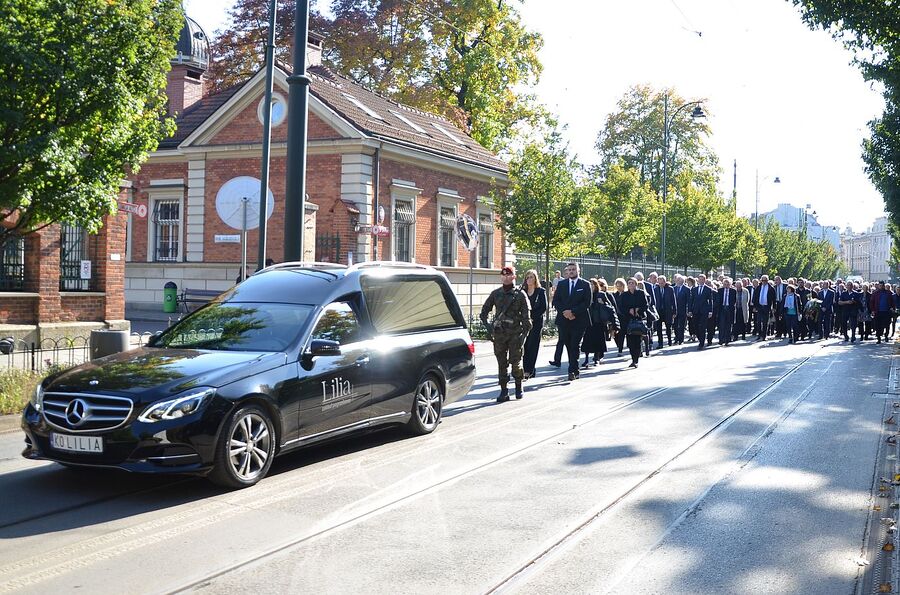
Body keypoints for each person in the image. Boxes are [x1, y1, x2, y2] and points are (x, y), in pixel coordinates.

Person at [480, 266, 532, 402]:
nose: (505, 277)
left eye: (508, 275)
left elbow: (527, 319)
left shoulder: (520, 295)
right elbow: (484, 312)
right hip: (500, 334)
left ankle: (518, 386)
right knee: (501, 363)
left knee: (516, 362)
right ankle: (504, 390)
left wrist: (523, 336)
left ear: (514, 277)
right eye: (503, 275)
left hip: (515, 334)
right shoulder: (496, 294)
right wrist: (489, 327)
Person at [551, 262, 592, 381]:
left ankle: (572, 370)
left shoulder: (585, 284)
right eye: (569, 270)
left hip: (579, 320)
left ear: (578, 270)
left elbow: (587, 302)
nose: (571, 271)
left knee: (575, 344)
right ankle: (573, 367)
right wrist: (565, 312)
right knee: (568, 344)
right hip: (564, 320)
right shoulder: (562, 284)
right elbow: (556, 300)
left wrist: (573, 312)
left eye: (573, 269)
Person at [581, 278, 618, 367]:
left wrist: (602, 303)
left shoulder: (601, 294)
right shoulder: (585, 294)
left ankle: (596, 358)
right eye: (590, 285)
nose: (591, 287)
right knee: (587, 341)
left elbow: (609, 306)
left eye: (593, 285)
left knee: (598, 340)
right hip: (588, 321)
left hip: (598, 321)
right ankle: (586, 359)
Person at [521, 269, 547, 379]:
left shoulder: (540, 291)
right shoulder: (522, 291)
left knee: (533, 346)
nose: (529, 279)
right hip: (524, 323)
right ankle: (526, 369)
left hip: (536, 323)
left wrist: (532, 318)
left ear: (535, 279)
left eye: (531, 277)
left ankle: (529, 370)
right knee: (525, 346)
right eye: (527, 277)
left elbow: (543, 307)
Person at [618, 277, 648, 368]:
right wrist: (628, 310)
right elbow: (621, 307)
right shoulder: (624, 295)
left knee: (637, 341)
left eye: (632, 283)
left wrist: (638, 310)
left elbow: (645, 305)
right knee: (630, 342)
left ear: (636, 284)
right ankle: (633, 359)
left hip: (638, 319)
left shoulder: (640, 293)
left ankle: (636, 360)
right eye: (629, 283)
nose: (631, 284)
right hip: (628, 320)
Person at [689, 273, 714, 350]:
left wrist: (710, 311)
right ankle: (700, 338)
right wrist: (690, 310)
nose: (701, 281)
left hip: (704, 311)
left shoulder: (708, 289)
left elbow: (710, 301)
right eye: (699, 279)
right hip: (696, 311)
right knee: (696, 326)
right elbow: (691, 300)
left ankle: (701, 343)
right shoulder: (694, 289)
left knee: (702, 327)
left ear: (704, 280)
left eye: (702, 279)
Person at [657, 275, 677, 347]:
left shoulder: (670, 289)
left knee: (668, 327)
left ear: (665, 282)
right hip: (659, 311)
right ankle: (660, 343)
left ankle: (669, 341)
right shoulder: (656, 289)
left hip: (667, 311)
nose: (660, 284)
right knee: (659, 328)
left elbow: (673, 300)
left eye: (662, 283)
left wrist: (674, 311)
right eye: (659, 283)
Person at [754, 274, 775, 340]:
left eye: (765, 280)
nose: (763, 282)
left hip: (766, 307)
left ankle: (764, 336)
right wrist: (755, 306)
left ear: (767, 280)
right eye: (762, 280)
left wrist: (774, 307)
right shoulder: (758, 287)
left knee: (765, 322)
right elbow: (755, 297)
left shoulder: (771, 288)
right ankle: (759, 334)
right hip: (759, 306)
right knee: (758, 322)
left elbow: (774, 299)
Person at [717, 277, 736, 346]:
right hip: (722, 309)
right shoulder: (720, 290)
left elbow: (734, 300)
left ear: (730, 284)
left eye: (728, 284)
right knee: (721, 325)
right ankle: (721, 340)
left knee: (728, 325)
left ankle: (727, 339)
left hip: (729, 309)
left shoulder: (733, 291)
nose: (726, 285)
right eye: (725, 284)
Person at [673, 274, 690, 345]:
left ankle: (681, 339)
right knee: (675, 325)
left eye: (678, 280)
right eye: (677, 280)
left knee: (681, 325)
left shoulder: (687, 289)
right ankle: (676, 338)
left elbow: (689, 300)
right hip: (675, 310)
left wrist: (688, 310)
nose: (677, 281)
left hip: (683, 310)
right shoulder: (673, 288)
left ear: (682, 281)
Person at [612, 277, 628, 356]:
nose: (618, 287)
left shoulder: (626, 294)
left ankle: (620, 350)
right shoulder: (614, 295)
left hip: (624, 317)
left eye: (620, 286)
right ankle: (619, 346)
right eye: (617, 286)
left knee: (622, 333)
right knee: (615, 334)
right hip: (616, 317)